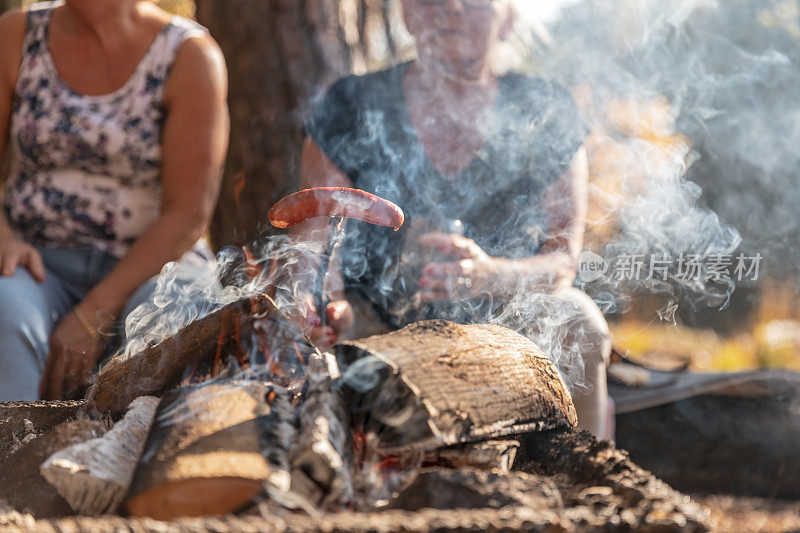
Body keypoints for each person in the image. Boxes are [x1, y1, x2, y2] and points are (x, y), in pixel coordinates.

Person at [293, 0, 612, 438]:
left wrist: (489, 276)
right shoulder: (353, 103)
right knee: (292, 330)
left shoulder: (545, 109)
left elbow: (562, 259)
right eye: (432, 0)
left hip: (507, 321)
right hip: (373, 321)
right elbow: (314, 241)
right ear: (407, 13)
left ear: (509, 20)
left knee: (579, 321)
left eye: (476, 2)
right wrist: (331, 305)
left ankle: (585, 484)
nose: (453, 9)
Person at [0, 0, 228, 401]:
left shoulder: (190, 56)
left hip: (157, 266)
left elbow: (189, 213)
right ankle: (15, 459)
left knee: (178, 317)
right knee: (5, 310)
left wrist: (92, 315)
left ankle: (162, 460)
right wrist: (3, 238)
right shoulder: (16, 36)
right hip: (36, 259)